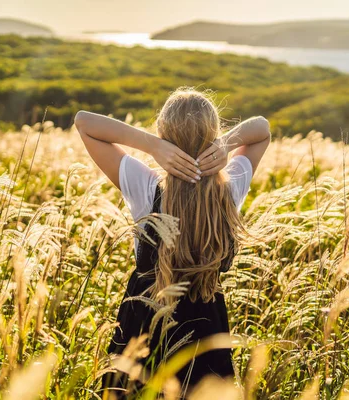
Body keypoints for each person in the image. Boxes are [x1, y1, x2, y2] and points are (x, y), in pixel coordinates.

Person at [74, 87, 271, 398]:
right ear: (214, 134)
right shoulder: (231, 186)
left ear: (164, 133)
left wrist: (152, 145)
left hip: (143, 328)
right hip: (207, 331)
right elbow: (261, 129)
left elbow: (84, 122)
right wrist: (226, 144)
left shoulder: (146, 185)